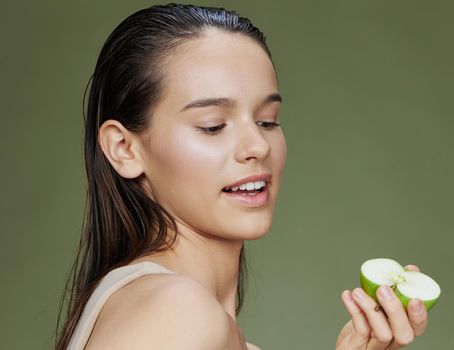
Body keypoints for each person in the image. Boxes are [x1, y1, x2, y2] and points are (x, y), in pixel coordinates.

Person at [55, 3, 429, 349]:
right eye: (213, 125)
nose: (258, 146)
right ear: (124, 149)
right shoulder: (177, 313)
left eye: (267, 121)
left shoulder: (182, 314)